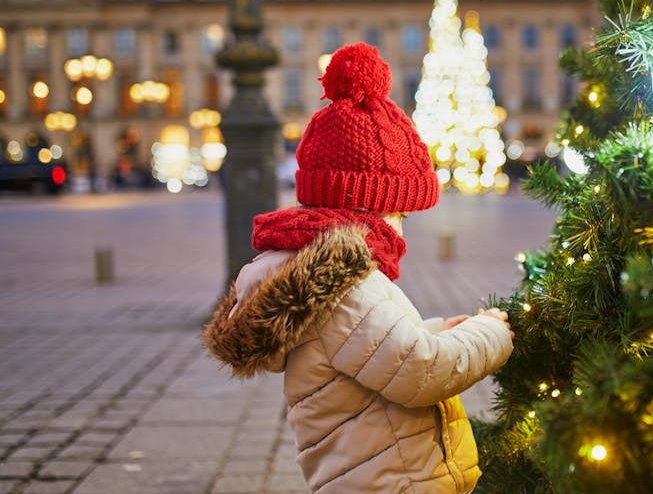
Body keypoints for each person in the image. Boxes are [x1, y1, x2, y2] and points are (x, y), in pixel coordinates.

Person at [203, 42, 514, 494]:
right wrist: (492, 333)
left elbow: (370, 350)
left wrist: (441, 330)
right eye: (399, 216)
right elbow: (419, 371)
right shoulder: (343, 285)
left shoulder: (318, 279)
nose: (402, 233)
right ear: (366, 212)